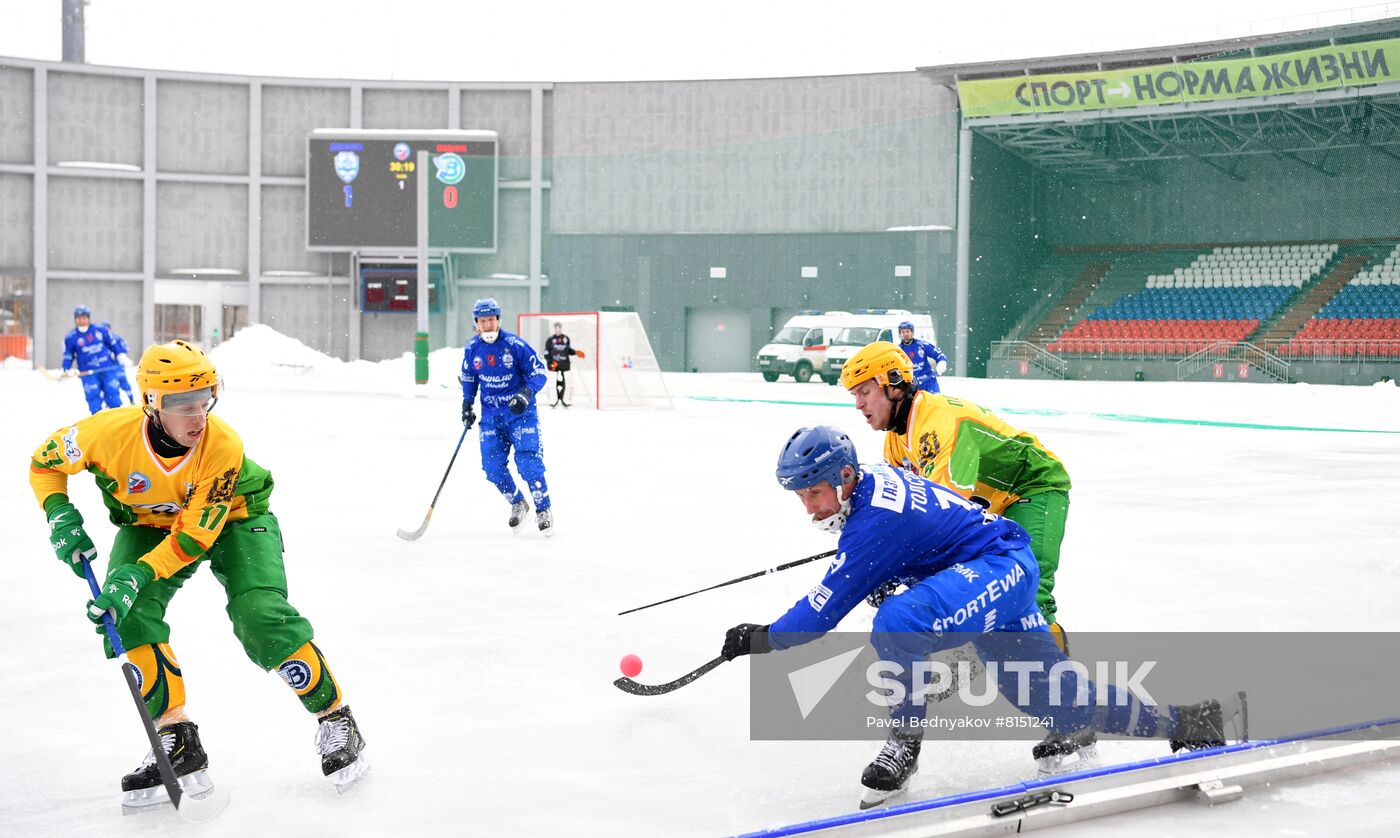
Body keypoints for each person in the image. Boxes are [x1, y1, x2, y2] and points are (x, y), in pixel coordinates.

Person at [720, 426, 1247, 809]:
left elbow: (821, 611)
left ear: (844, 476)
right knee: (1058, 703)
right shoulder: (871, 491)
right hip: (1001, 572)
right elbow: (927, 534)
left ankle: (903, 746)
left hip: (997, 569)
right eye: (801, 496)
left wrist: (764, 639)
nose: (810, 507)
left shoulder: (870, 522)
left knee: (899, 622)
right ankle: (1191, 721)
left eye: (813, 492)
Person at [30, 340, 368, 810]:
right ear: (150, 403)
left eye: (206, 397)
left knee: (260, 615)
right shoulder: (103, 434)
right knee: (125, 620)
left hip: (236, 518)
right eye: (180, 404)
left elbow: (192, 540)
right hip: (150, 522)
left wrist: (134, 576)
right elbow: (45, 464)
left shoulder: (222, 444)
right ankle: (177, 736)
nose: (197, 415)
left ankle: (335, 716)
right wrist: (60, 516)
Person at [841, 341, 1072, 647]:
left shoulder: (940, 422)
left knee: (1027, 588)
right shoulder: (895, 443)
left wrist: (891, 565)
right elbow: (900, 517)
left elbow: (941, 518)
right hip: (988, 508)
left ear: (893, 383)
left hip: (1032, 487)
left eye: (864, 391)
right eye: (854, 395)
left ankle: (1059, 676)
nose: (858, 404)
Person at [460, 298, 554, 536]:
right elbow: (469, 378)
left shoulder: (515, 345)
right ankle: (518, 503)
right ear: (477, 323)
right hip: (491, 417)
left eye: (491, 320)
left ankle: (543, 509)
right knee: (492, 467)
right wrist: (467, 404)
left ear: (499, 320)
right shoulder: (472, 350)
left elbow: (539, 371)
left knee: (529, 464)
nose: (488, 325)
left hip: (520, 415)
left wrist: (525, 392)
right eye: (483, 321)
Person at [61, 305, 127, 413]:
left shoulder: (100, 330)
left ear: (88, 318)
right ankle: (98, 423)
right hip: (87, 373)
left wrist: (120, 354)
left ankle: (116, 419)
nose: (81, 320)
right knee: (93, 399)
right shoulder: (71, 337)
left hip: (107, 369)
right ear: (75, 319)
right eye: (78, 318)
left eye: (84, 317)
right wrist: (65, 369)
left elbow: (112, 343)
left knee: (113, 395)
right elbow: (68, 355)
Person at [896, 320, 948, 393]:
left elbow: (939, 354)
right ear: (900, 334)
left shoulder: (922, 345)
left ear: (912, 332)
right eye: (903, 332)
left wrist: (942, 363)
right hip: (912, 387)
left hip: (929, 383)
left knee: (935, 403)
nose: (905, 334)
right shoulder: (898, 350)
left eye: (907, 331)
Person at [544, 322, 585, 408]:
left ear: (561, 328)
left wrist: (576, 352)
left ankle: (566, 400)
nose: (558, 329)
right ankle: (553, 400)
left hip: (565, 364)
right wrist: (550, 363)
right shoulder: (550, 340)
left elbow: (569, 350)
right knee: (552, 383)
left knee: (568, 382)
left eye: (559, 327)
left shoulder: (566, 339)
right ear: (554, 328)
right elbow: (546, 353)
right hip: (554, 365)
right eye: (556, 327)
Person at [99, 320, 137, 405]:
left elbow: (125, 348)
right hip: (106, 370)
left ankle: (131, 399)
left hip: (118, 367)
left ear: (110, 329)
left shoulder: (116, 338)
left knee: (124, 384)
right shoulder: (99, 341)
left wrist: (118, 354)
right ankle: (110, 404)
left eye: (107, 329)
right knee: (109, 387)